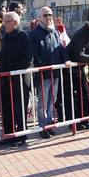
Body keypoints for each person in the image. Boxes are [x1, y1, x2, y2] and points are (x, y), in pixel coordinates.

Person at [29, 7, 65, 139]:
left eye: (50, 15)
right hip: (43, 74)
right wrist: (43, 65)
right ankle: (42, 126)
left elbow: (60, 49)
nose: (49, 17)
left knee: (52, 100)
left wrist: (65, 60)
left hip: (55, 73)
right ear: (40, 17)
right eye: (45, 15)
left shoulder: (55, 32)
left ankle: (49, 123)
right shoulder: (33, 34)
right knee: (43, 102)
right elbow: (34, 55)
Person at [0, 11, 33, 144]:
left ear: (15, 22)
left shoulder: (23, 36)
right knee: (7, 108)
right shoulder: (6, 36)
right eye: (4, 21)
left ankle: (22, 135)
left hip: (19, 80)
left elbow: (27, 58)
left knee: (19, 108)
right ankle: (9, 135)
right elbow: (5, 55)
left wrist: (15, 73)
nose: (4, 24)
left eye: (7, 21)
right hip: (6, 79)